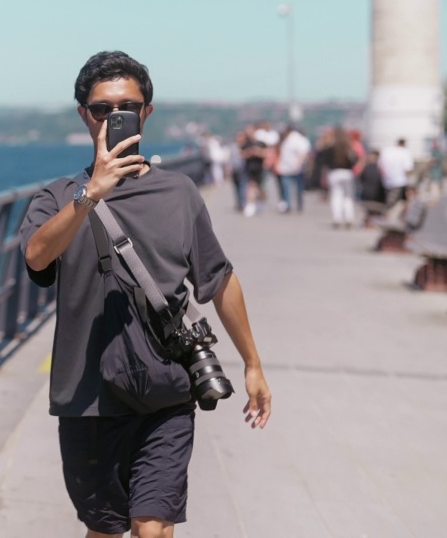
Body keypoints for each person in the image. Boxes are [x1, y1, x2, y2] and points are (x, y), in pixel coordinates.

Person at [21, 51, 272, 538]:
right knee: (105, 530)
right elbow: (35, 256)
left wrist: (253, 363)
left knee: (152, 526)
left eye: (127, 106)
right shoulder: (58, 197)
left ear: (146, 113)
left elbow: (218, 279)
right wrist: (90, 194)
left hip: (167, 389)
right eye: (101, 109)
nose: (114, 117)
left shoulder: (179, 193)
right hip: (88, 396)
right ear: (83, 116)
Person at [320, 125, 359, 228]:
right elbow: (355, 159)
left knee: (336, 196)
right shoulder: (348, 147)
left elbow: (323, 159)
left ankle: (337, 218)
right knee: (348, 197)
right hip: (347, 173)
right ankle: (349, 218)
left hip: (334, 173)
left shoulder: (330, 147)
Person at [274, 125, 312, 213]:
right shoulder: (294, 139)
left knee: (289, 188)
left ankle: (289, 205)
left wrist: (298, 163)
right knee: (296, 188)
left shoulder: (294, 140)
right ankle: (295, 204)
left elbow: (304, 153)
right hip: (289, 167)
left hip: (292, 167)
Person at [378, 137, 416, 205]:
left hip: (386, 181)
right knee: (396, 204)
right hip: (399, 182)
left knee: (388, 201)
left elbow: (380, 167)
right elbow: (407, 170)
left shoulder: (386, 150)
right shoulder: (404, 152)